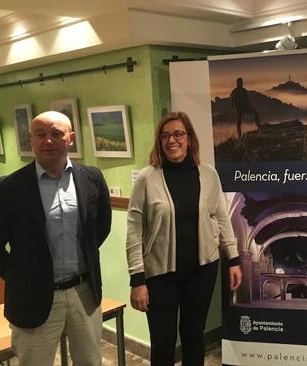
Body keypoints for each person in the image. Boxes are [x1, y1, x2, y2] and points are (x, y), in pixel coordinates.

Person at [0, 111, 111, 366]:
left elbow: (100, 228)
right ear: (31, 139)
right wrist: (18, 275)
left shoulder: (92, 178)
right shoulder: (9, 189)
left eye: (56, 134)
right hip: (32, 298)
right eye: (40, 135)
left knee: (90, 362)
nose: (48, 141)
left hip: (84, 293)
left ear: (71, 138)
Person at [127, 111, 242, 366]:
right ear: (159, 141)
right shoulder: (147, 178)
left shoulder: (208, 174)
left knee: (194, 337)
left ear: (189, 139)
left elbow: (222, 217)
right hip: (160, 276)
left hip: (202, 270)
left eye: (178, 134)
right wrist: (137, 279)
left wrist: (233, 259)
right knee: (163, 343)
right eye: (165, 135)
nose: (172, 140)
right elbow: (134, 231)